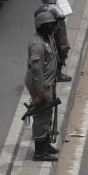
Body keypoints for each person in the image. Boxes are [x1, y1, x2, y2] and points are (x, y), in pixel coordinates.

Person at [26, 10, 59, 161]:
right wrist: (39, 94)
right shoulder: (38, 45)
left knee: (47, 114)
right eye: (51, 25)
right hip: (41, 85)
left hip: (47, 83)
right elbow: (36, 71)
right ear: (42, 26)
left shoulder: (46, 38)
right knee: (42, 116)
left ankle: (45, 144)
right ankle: (39, 152)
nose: (54, 28)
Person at [41, 0, 72, 83]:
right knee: (62, 47)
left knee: (60, 47)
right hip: (55, 23)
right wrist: (59, 17)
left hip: (57, 21)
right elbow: (52, 6)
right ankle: (57, 74)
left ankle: (57, 72)